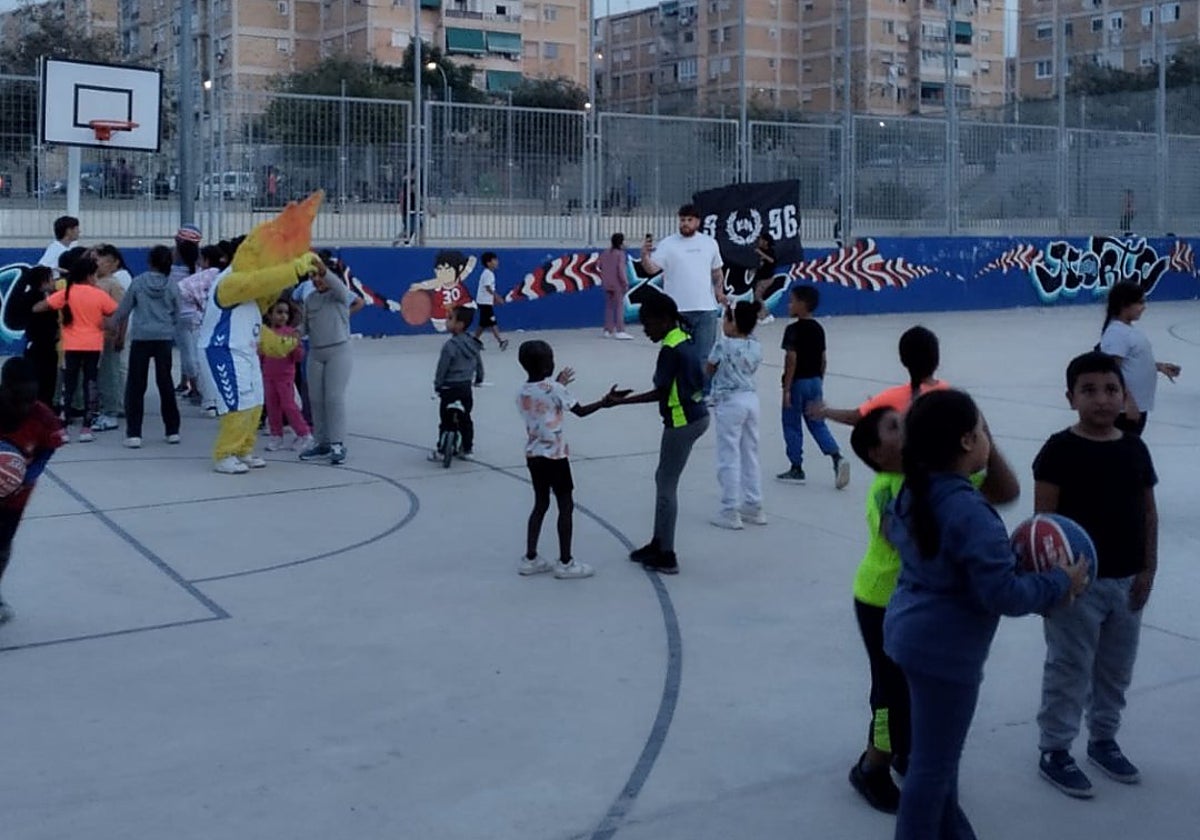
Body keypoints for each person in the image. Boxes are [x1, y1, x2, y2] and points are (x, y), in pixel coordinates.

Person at [884, 389, 1088, 840]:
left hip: (909, 637)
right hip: (945, 655)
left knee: (938, 756)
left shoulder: (912, 493)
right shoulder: (969, 512)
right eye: (981, 432)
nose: (986, 440)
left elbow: (996, 499)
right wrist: (1060, 582)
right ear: (964, 442)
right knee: (931, 769)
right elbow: (1005, 595)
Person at [846, 405, 1021, 814]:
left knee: (913, 689)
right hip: (879, 600)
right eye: (894, 427)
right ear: (877, 453)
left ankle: (908, 751)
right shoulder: (889, 488)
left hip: (914, 604)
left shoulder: (934, 479)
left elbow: (1005, 490)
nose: (905, 427)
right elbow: (904, 539)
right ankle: (873, 766)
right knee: (890, 691)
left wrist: (982, 436)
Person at [1033, 351, 1159, 799]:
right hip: (1076, 589)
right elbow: (1043, 526)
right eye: (1089, 390)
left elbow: (1147, 511)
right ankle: (1055, 749)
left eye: (1111, 389)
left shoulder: (1133, 448)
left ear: (1124, 395)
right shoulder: (1058, 451)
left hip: (1127, 584)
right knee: (1069, 668)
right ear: (1071, 398)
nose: (1102, 399)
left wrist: (1149, 567)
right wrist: (1054, 585)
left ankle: (1103, 739)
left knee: (1115, 671)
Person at [608, 292, 710, 574]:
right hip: (697, 416)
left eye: (648, 324)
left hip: (682, 421)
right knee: (663, 479)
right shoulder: (683, 338)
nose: (645, 330)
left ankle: (667, 554)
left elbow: (660, 392)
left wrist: (621, 402)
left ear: (664, 320)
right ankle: (659, 540)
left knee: (666, 485)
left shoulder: (670, 350)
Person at [515, 340, 627, 579]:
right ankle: (565, 562)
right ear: (547, 363)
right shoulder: (556, 390)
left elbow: (543, 397)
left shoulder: (523, 391)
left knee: (540, 504)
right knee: (565, 505)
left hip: (534, 455)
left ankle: (530, 558)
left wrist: (556, 382)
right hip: (555, 456)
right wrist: (605, 402)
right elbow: (581, 411)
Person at [0, 357, 67, 623]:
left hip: (16, 497)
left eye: (32, 399)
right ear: (4, 389)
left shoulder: (42, 418)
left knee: (2, 546)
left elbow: (48, 449)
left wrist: (29, 474)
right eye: (20, 399)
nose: (27, 406)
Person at [31, 256, 117, 443]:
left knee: (67, 387)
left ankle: (63, 427)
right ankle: (87, 427)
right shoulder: (99, 294)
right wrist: (103, 325)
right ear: (89, 275)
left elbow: (38, 308)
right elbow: (114, 313)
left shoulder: (66, 293)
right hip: (93, 345)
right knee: (90, 384)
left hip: (71, 345)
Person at [107, 245, 182, 449]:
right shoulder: (172, 285)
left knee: (136, 386)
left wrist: (111, 323)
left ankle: (134, 433)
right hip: (164, 338)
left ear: (150, 262)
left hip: (141, 337)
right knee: (165, 383)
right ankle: (172, 430)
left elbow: (125, 308)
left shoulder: (139, 282)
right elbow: (178, 313)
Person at [779, 285, 850, 488]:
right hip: (815, 381)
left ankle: (796, 467)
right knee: (817, 422)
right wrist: (819, 382)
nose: (789, 304)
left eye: (792, 301)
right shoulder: (818, 329)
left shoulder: (792, 330)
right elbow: (823, 359)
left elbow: (791, 358)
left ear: (802, 305)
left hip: (797, 382)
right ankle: (836, 456)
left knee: (791, 424)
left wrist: (787, 389)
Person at [809, 325, 948, 427]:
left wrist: (826, 412)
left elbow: (856, 417)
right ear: (937, 359)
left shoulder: (893, 397)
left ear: (903, 360)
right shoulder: (949, 393)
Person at [638, 204, 726, 362]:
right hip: (676, 311)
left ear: (698, 222)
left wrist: (719, 291)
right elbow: (651, 269)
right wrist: (645, 256)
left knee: (704, 357)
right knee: (676, 356)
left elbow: (717, 272)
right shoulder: (668, 244)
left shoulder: (709, 243)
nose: (685, 223)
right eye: (682, 220)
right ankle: (679, 387)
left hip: (705, 310)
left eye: (689, 220)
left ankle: (703, 387)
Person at [706, 301, 765, 530]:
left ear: (733, 322)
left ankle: (730, 509)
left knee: (728, 455)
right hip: (751, 399)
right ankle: (754, 503)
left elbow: (709, 368)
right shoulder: (755, 345)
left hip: (730, 402)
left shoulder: (723, 344)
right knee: (750, 452)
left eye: (726, 318)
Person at [1098, 281, 1180, 436]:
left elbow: (1130, 361)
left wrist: (1158, 366)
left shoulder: (1127, 330)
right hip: (1125, 410)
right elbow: (1110, 372)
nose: (1144, 307)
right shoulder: (1117, 334)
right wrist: (1128, 401)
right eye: (1140, 302)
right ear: (1124, 304)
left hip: (1137, 406)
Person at [297, 263, 353, 465]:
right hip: (316, 353)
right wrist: (292, 334)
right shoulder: (310, 299)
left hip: (339, 352)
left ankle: (337, 443)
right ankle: (322, 442)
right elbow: (305, 325)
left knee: (334, 397)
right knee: (316, 398)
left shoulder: (339, 296)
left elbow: (337, 285)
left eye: (319, 276)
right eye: (312, 276)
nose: (316, 280)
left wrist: (324, 270)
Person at [178, 244, 228, 412]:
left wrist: (201, 307)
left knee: (199, 361)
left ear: (207, 260)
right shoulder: (222, 275)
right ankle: (215, 400)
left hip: (197, 322)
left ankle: (209, 401)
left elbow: (185, 290)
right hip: (210, 323)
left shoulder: (205, 276)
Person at [430, 306, 484, 460]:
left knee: (445, 420)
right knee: (465, 418)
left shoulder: (450, 346)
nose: (447, 322)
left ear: (459, 324)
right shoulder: (473, 345)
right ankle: (467, 449)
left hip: (449, 388)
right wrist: (479, 379)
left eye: (450, 318)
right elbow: (479, 364)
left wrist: (438, 385)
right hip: (465, 388)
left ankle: (441, 450)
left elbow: (442, 368)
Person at [260, 300, 313, 452]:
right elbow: (261, 354)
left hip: (285, 377)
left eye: (286, 313)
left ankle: (304, 434)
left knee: (289, 406)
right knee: (272, 407)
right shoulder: (265, 333)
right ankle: (276, 436)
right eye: (279, 312)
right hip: (268, 376)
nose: (283, 316)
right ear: (269, 315)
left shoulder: (291, 333)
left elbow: (298, 356)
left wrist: (295, 347)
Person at [92, 243, 133, 431]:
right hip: (102, 333)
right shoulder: (98, 280)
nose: (95, 263)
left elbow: (121, 310)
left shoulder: (117, 280)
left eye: (98, 259)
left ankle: (116, 404)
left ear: (112, 262)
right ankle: (112, 403)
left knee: (116, 369)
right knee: (109, 370)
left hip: (113, 332)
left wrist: (120, 335)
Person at [10, 266, 59, 408]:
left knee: (47, 377)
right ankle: (41, 405)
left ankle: (45, 404)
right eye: (51, 279)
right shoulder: (34, 298)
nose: (54, 282)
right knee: (43, 376)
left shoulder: (42, 296)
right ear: (43, 282)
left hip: (45, 343)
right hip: (40, 343)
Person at [169, 225, 203, 400]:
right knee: (189, 350)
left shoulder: (172, 271)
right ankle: (185, 382)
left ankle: (195, 388)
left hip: (181, 316)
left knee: (188, 352)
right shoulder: (200, 270)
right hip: (196, 316)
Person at [597, 233, 633, 340]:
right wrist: (625, 282)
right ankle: (620, 330)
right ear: (621, 242)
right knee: (619, 307)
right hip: (617, 284)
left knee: (609, 307)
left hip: (607, 283)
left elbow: (599, 266)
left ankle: (607, 330)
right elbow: (621, 270)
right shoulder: (620, 254)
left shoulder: (605, 253)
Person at [472, 251, 509, 350]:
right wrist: (497, 297)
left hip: (485, 302)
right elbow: (488, 288)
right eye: (495, 260)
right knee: (492, 322)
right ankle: (501, 341)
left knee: (483, 323)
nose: (497, 262)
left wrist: (493, 299)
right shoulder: (488, 274)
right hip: (484, 303)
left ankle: (474, 340)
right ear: (488, 263)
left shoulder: (488, 273)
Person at [751, 233, 780, 323]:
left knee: (757, 295)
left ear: (765, 242)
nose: (759, 241)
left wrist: (761, 253)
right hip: (760, 278)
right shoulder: (760, 251)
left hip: (767, 278)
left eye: (761, 239)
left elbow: (772, 260)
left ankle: (763, 316)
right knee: (757, 297)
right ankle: (766, 314)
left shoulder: (770, 251)